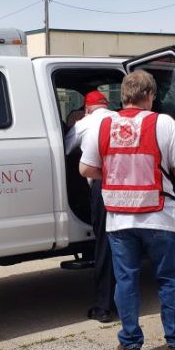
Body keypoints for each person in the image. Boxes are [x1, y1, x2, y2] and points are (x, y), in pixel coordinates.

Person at [78, 70, 175, 350]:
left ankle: (131, 345)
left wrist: (115, 174)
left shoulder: (103, 126)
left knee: (126, 281)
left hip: (119, 219)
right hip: (157, 215)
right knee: (169, 279)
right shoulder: (164, 123)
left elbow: (86, 169)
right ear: (150, 95)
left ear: (124, 95)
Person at [65, 90, 116, 323]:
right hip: (135, 185)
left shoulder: (84, 124)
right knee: (128, 243)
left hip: (104, 185)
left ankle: (104, 306)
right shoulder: (123, 120)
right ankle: (128, 299)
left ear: (86, 108)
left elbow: (66, 151)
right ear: (107, 105)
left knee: (105, 245)